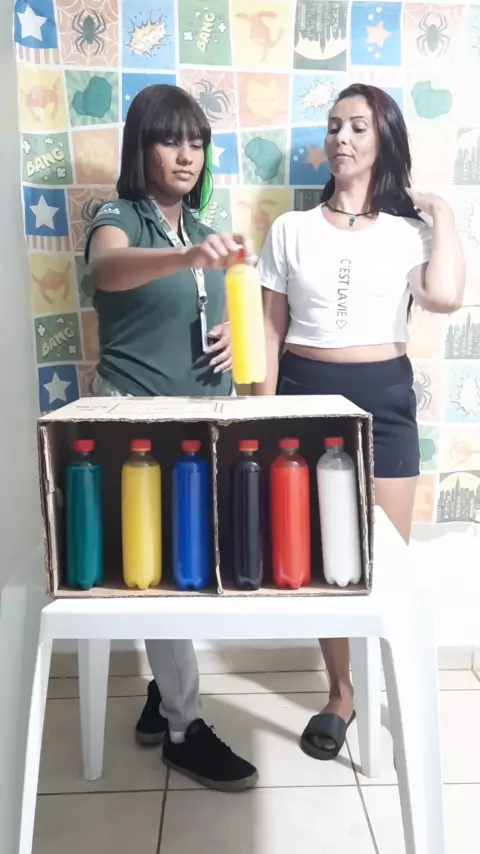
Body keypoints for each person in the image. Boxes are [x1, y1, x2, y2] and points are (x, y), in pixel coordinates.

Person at [252, 83, 465, 761]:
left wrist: (443, 213)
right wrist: (263, 413)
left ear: (383, 140)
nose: (341, 138)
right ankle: (342, 692)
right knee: (328, 559)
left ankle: (383, 681)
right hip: (307, 393)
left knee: (385, 563)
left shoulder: (407, 233)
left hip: (385, 398)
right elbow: (269, 331)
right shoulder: (290, 229)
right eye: (334, 125)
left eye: (358, 127)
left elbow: (446, 295)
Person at [85, 83, 258, 792]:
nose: (186, 156)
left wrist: (230, 330)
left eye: (197, 142)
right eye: (169, 139)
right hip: (135, 423)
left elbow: (208, 307)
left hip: (199, 426)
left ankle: (162, 697)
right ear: (142, 146)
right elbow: (107, 270)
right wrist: (187, 262)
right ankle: (184, 729)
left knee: (194, 561)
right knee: (161, 572)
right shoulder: (119, 217)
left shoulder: (203, 228)